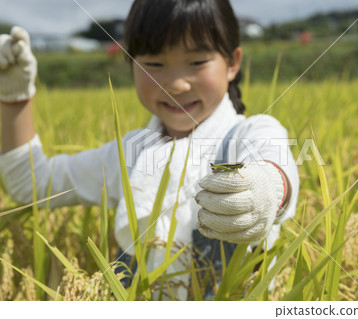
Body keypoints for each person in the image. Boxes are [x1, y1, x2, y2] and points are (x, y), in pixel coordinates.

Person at [0, 0, 299, 300]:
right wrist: (14, 97)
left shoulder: (250, 133)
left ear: (233, 63)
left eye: (196, 63)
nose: (176, 84)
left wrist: (266, 189)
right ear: (130, 65)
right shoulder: (129, 155)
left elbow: (276, 170)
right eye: (154, 64)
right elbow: (33, 185)